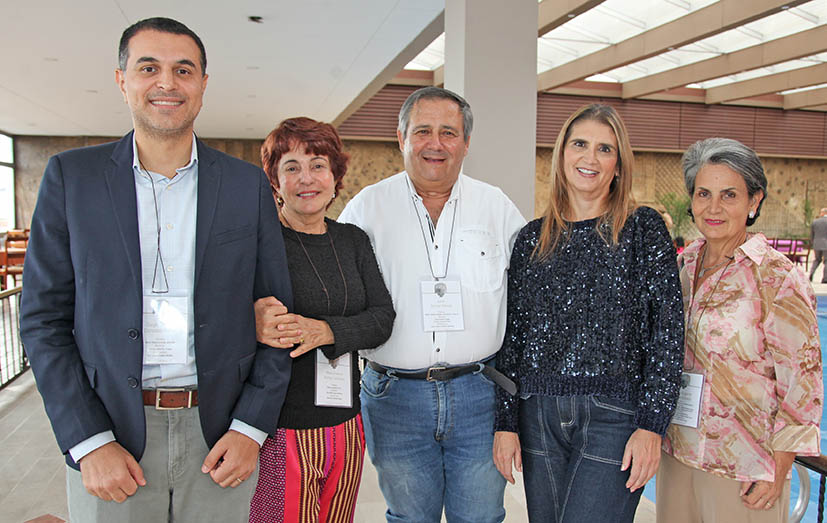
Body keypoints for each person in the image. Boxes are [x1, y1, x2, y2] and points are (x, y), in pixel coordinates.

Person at [20, 17, 293, 523]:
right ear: (122, 80)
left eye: (183, 70)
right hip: (112, 434)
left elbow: (278, 316)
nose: (167, 83)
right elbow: (42, 321)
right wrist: (87, 439)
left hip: (220, 437)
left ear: (203, 85)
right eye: (149, 68)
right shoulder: (72, 179)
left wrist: (250, 428)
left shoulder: (245, 186)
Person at [338, 86, 526, 522]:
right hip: (394, 398)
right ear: (401, 138)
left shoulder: (495, 207)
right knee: (409, 518)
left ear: (466, 143)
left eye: (448, 132)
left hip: (480, 395)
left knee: (480, 518)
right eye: (422, 131)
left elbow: (532, 295)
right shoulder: (366, 209)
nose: (435, 144)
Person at [493, 103, 684, 523]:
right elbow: (513, 338)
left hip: (613, 418)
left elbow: (667, 332)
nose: (590, 158)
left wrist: (652, 425)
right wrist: (505, 423)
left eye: (605, 149)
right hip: (538, 414)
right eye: (580, 144)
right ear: (562, 154)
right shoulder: (532, 239)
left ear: (619, 165)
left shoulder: (643, 229)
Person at [658, 137, 822, 523]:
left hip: (745, 469)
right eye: (704, 194)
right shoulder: (681, 267)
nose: (713, 207)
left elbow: (803, 381)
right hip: (676, 454)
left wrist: (780, 464)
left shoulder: (777, 276)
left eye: (729, 195)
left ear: (754, 201)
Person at [249, 117, 395, 522]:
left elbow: (382, 319)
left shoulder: (352, 240)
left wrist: (326, 331)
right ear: (275, 181)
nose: (306, 178)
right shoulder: (259, 244)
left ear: (335, 177)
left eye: (317, 165)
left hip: (346, 424)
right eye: (291, 167)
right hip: (280, 428)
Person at [809, 207, 827, 283]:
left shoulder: (815, 222)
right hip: (826, 244)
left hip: (816, 244)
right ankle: (825, 278)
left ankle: (811, 273)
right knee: (826, 261)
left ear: (822, 213)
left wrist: (812, 243)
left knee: (817, 260)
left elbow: (812, 234)